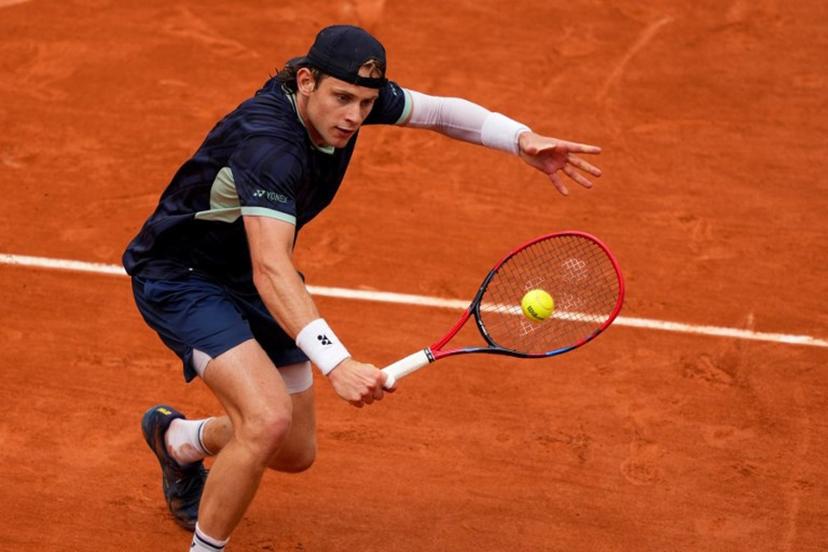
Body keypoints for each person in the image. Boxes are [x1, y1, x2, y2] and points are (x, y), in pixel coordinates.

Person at [124, 24, 602, 552]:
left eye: (366, 102)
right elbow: (272, 270)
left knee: (293, 450)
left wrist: (519, 138)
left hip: (248, 275)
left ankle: (181, 441)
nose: (353, 116)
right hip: (185, 276)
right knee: (265, 419)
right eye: (342, 99)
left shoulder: (349, 103)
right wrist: (337, 362)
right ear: (306, 81)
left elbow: (441, 112)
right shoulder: (269, 145)